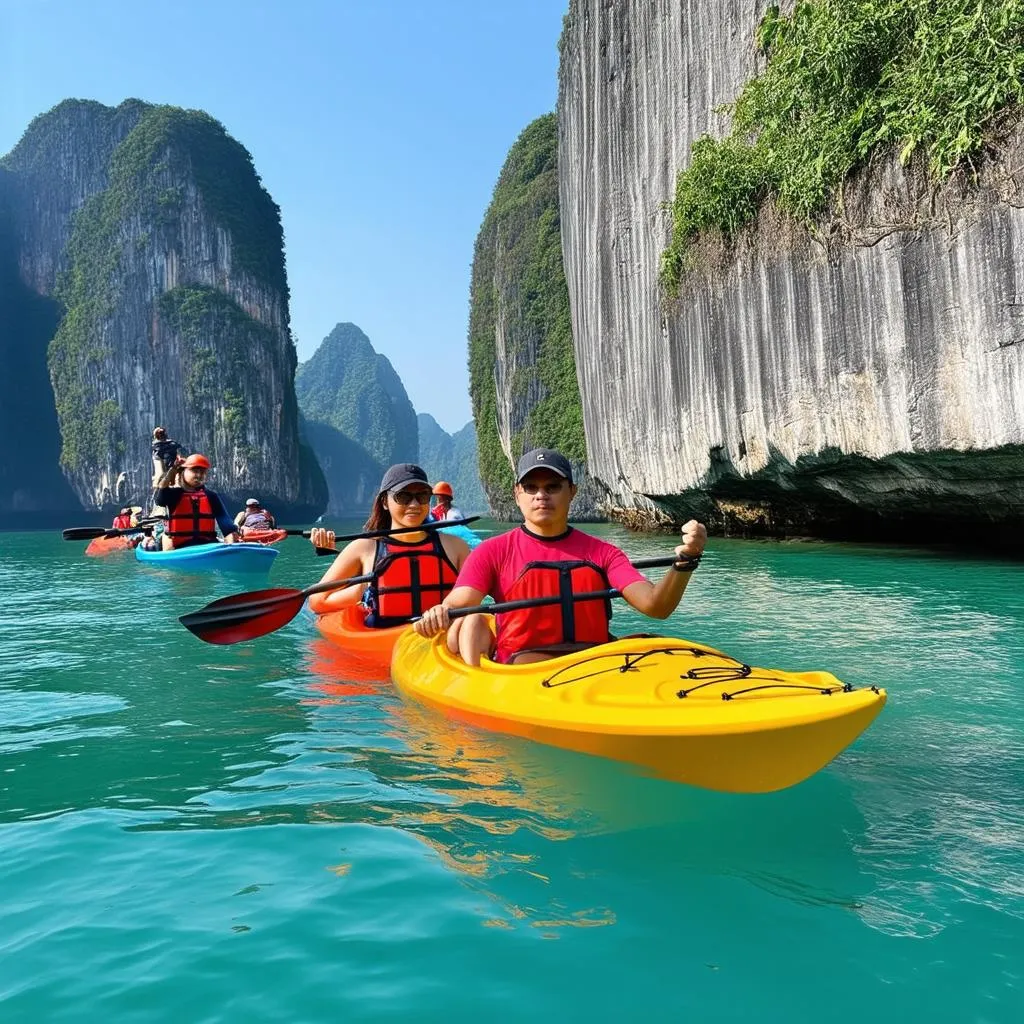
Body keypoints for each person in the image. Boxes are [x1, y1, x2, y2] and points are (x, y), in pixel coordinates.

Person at [414, 447, 708, 666]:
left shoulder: (603, 552)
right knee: (472, 620)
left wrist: (685, 561)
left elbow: (656, 606)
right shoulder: (493, 552)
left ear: (572, 492)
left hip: (595, 664)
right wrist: (440, 612)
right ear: (518, 495)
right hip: (523, 670)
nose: (541, 495)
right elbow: (458, 602)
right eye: (531, 487)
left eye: (553, 487)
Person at [308, 463, 472, 622]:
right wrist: (365, 589)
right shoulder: (364, 547)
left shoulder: (457, 547)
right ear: (385, 502)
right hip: (381, 638)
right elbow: (317, 601)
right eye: (403, 497)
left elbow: (475, 595)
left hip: (441, 638)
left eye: (422, 496)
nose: (414, 504)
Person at [152, 453, 239, 550]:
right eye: (194, 471)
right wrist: (173, 469)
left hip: (208, 545)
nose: (199, 475)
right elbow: (160, 499)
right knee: (166, 539)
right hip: (179, 547)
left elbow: (225, 521)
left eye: (202, 472)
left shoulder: (211, 496)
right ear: (183, 471)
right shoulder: (173, 494)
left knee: (231, 537)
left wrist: (231, 543)